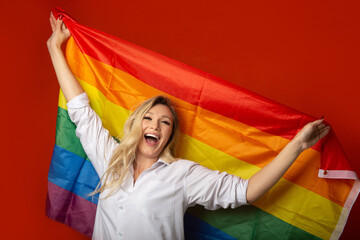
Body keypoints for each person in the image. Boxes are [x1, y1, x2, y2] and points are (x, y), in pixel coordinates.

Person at [47, 13, 331, 240]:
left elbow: (247, 191)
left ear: (170, 135)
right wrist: (54, 48)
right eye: (148, 118)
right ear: (136, 125)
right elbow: (80, 110)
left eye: (165, 122)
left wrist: (298, 145)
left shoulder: (182, 175)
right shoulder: (111, 160)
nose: (155, 125)